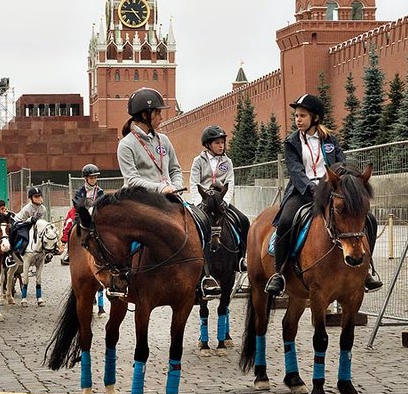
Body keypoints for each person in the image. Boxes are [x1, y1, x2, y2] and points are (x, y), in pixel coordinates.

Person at [265, 94, 382, 297]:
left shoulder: (330, 139)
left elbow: (341, 163)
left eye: (302, 116)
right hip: (303, 192)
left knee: (369, 219)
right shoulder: (291, 142)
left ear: (315, 117)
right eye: (296, 116)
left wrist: (345, 181)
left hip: (331, 191)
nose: (298, 120)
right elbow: (295, 170)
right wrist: (311, 188)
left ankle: (366, 270)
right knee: (285, 222)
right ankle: (279, 274)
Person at [116, 87, 220, 299]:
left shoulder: (164, 140)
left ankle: (203, 276)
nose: (162, 117)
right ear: (146, 114)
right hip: (142, 201)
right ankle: (122, 278)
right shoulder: (126, 145)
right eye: (158, 113)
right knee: (126, 236)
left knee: (201, 221)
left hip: (171, 197)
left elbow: (174, 168)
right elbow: (132, 179)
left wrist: (176, 186)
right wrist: (160, 188)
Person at [189, 125, 250, 270]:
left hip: (220, 202)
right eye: (217, 143)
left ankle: (241, 258)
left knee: (244, 220)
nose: (221, 145)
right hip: (204, 202)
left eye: (222, 142)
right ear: (208, 144)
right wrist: (199, 203)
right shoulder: (198, 161)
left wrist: (225, 202)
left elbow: (230, 183)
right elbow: (194, 184)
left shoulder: (227, 162)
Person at [62, 164, 104, 265]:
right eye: (91, 178)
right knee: (72, 228)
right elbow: (78, 204)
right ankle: (69, 251)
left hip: (95, 215)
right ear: (85, 178)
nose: (93, 180)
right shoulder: (81, 191)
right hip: (83, 216)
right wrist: (85, 210)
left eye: (95, 178)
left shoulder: (100, 191)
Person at [8, 187, 47, 267]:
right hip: (20, 224)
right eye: (36, 196)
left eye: (40, 196)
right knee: (24, 236)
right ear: (31, 198)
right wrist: (30, 219)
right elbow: (23, 222)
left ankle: (48, 252)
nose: (39, 198)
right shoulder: (27, 208)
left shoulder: (43, 209)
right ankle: (11, 254)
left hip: (33, 226)